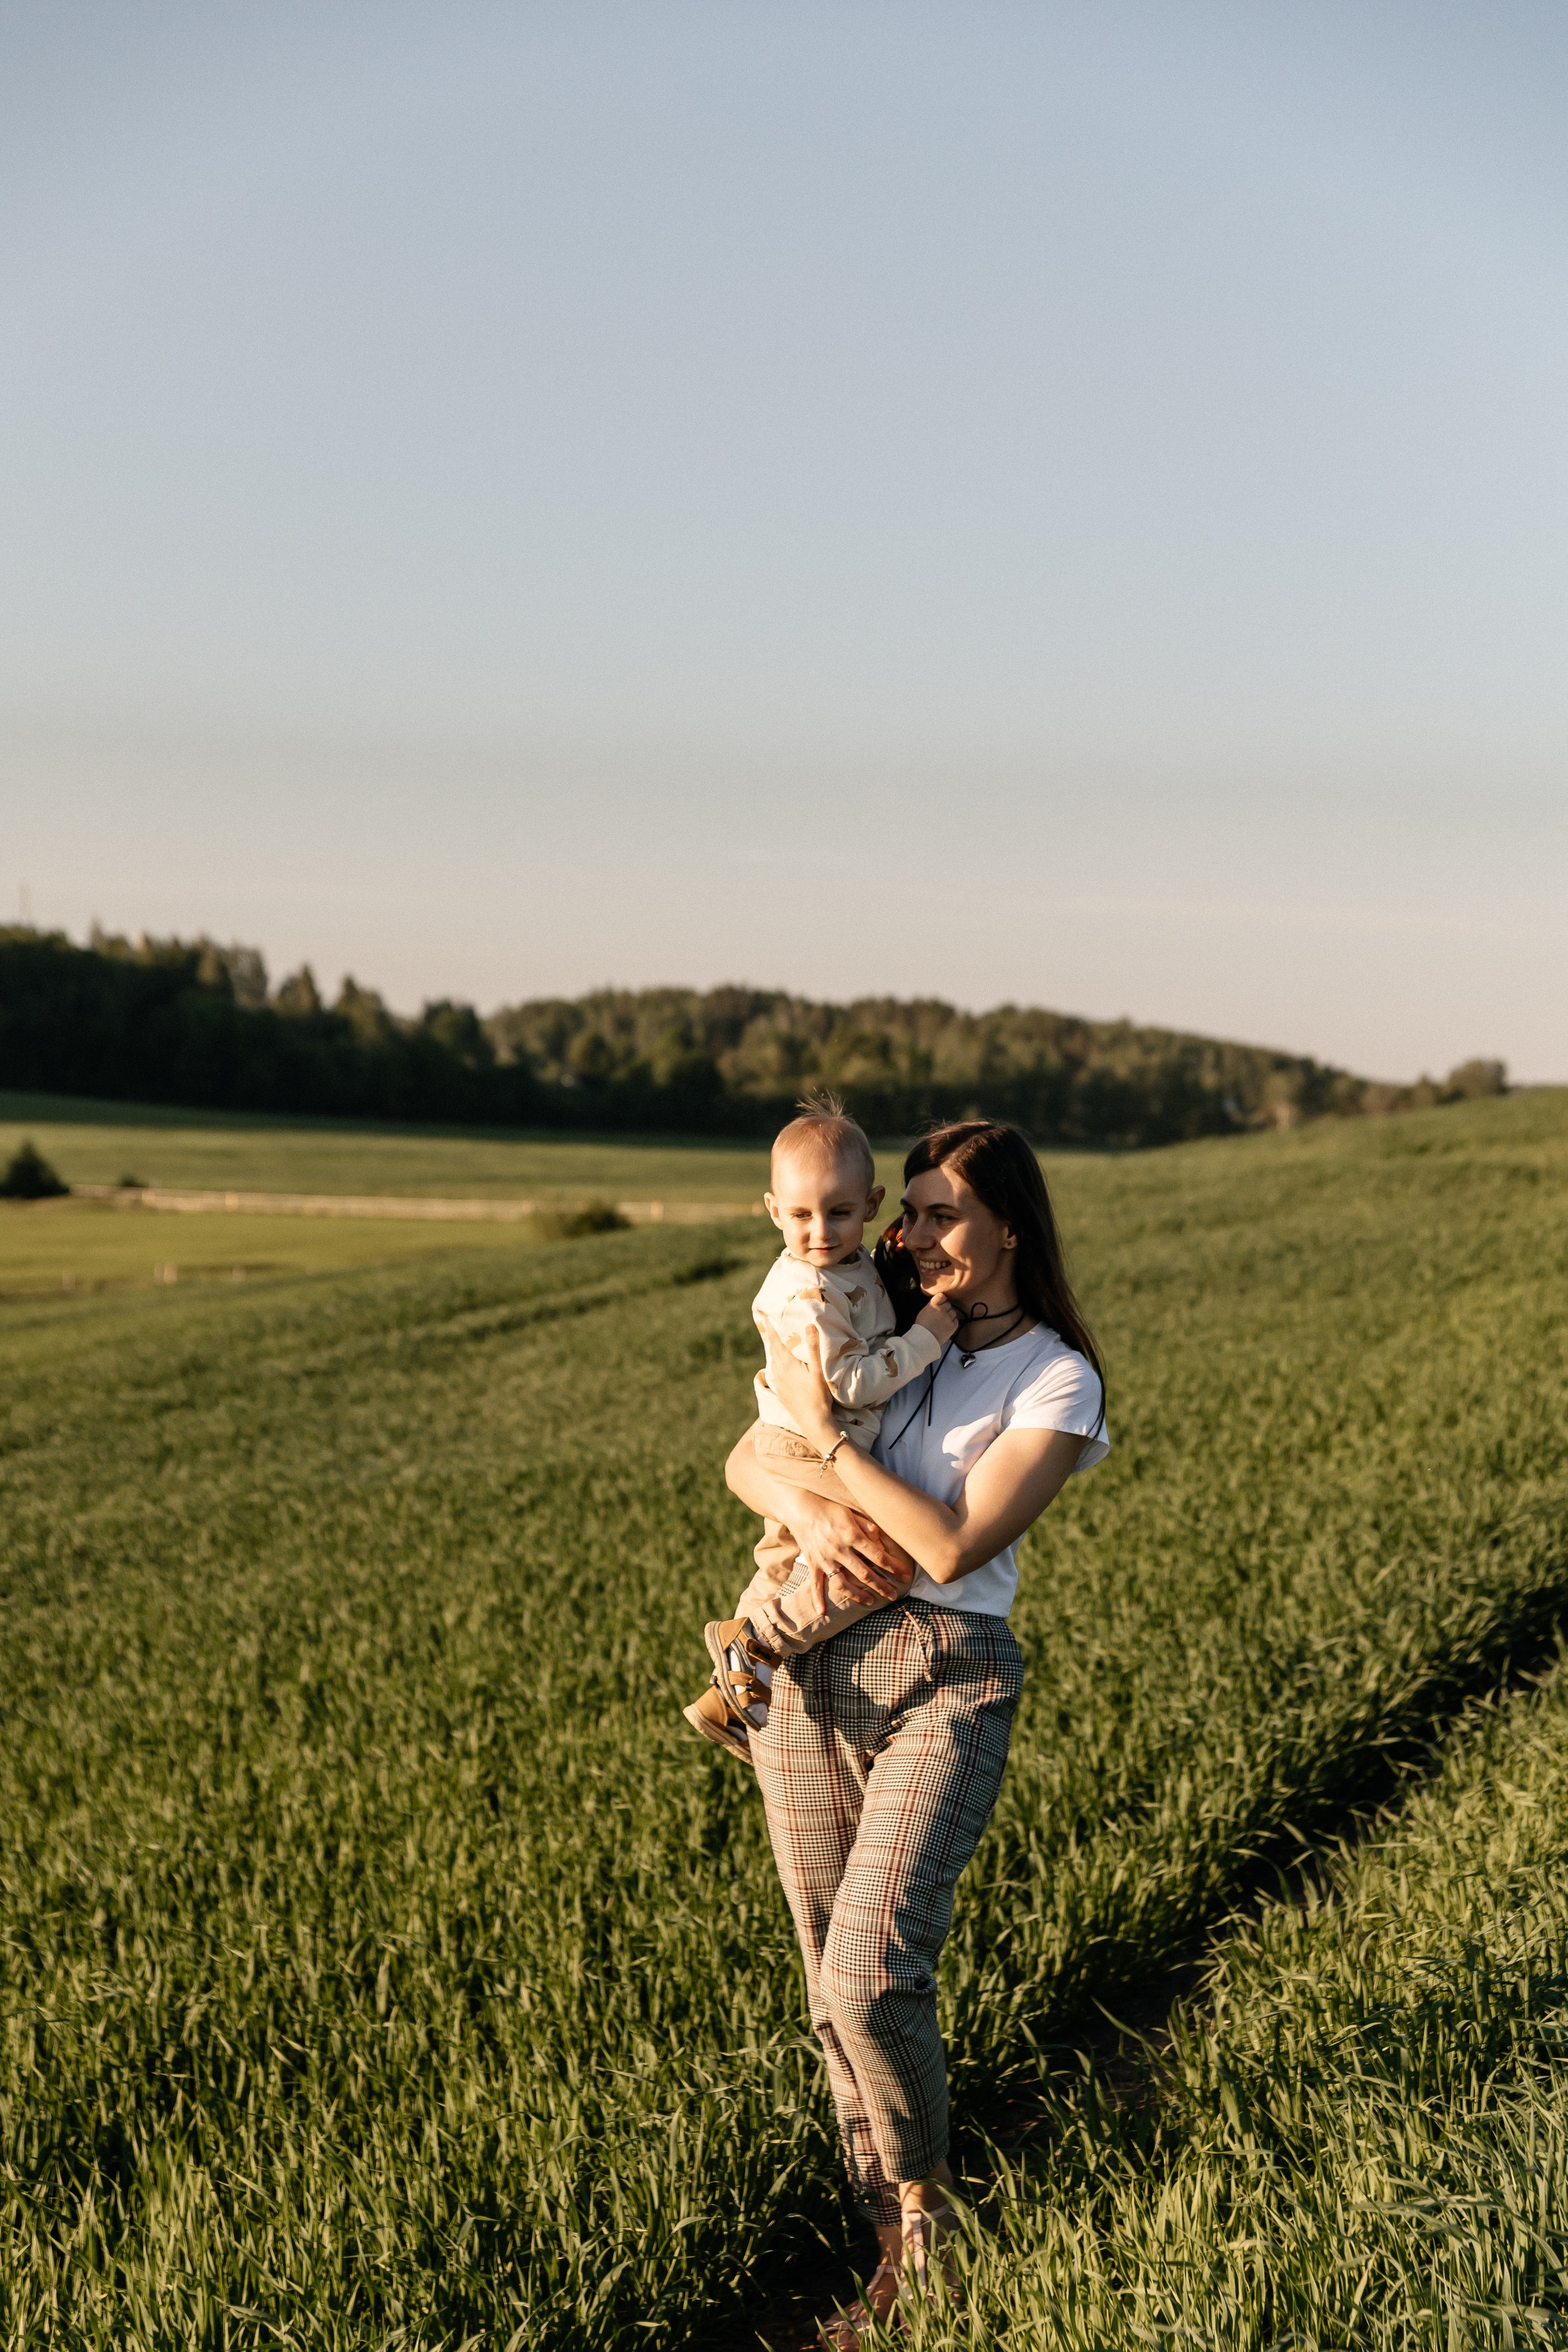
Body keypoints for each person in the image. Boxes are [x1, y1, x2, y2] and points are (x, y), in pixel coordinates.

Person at [725, 1119, 1109, 2346]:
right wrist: (804, 1505)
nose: (914, 1233)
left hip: (949, 1671)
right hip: (814, 1672)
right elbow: (746, 1455)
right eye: (912, 1209)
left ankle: (928, 2206)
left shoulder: (1055, 1378)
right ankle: (890, 2246)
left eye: (945, 1214)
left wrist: (832, 1445)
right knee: (823, 1987)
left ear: (1009, 1228)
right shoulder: (873, 1307)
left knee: (870, 1972)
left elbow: (946, 1546)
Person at [684, 1098, 960, 1761]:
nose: (819, 1231)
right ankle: (754, 1646)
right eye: (801, 1215)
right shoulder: (808, 1293)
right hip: (807, 1442)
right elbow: (852, 1384)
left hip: (796, 1438)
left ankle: (729, 1698)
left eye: (839, 1213)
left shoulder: (848, 1264)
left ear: (871, 1205)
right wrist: (926, 1337)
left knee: (786, 1561)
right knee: (885, 1557)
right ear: (773, 1210)